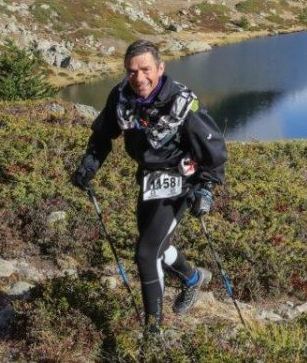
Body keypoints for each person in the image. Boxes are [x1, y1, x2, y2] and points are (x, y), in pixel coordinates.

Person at [70, 39, 228, 334]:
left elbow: (214, 149)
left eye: (145, 70)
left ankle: (152, 333)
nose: (139, 78)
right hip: (149, 180)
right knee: (157, 245)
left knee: (145, 253)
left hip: (181, 181)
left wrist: (206, 188)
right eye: (132, 71)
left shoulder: (183, 101)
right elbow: (103, 135)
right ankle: (193, 279)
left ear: (160, 68)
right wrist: (89, 165)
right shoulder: (120, 97)